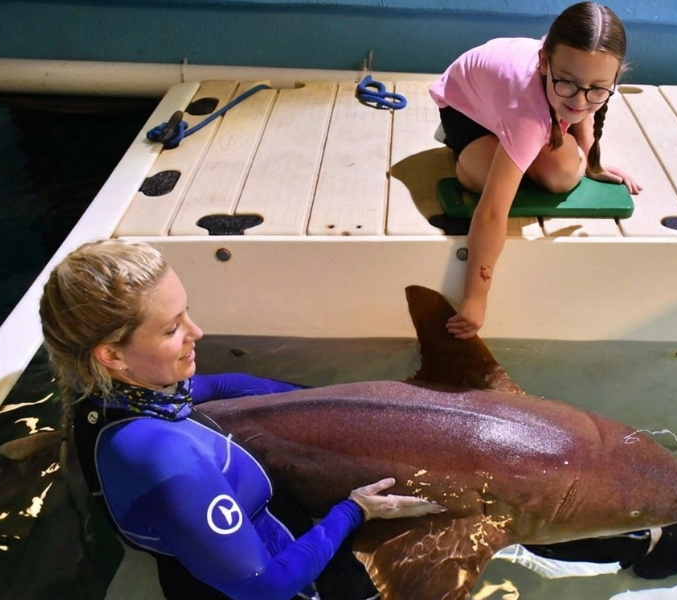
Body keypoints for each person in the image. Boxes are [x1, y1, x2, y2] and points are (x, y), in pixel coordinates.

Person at [39, 239, 444, 600]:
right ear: (111, 355)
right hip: (283, 582)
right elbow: (263, 587)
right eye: (172, 329)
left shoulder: (125, 393)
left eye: (187, 314)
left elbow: (231, 384)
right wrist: (354, 511)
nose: (197, 332)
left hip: (279, 544)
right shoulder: (160, 457)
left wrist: (331, 406)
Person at [430, 1, 643, 339]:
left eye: (598, 89)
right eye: (568, 83)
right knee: (483, 179)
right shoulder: (527, 113)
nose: (582, 99)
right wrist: (475, 299)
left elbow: (582, 106)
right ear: (545, 62)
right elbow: (490, 213)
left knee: (562, 176)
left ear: (614, 77)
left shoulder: (576, 70)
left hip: (527, 103)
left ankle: (521, 147)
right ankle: (475, 152)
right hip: (469, 108)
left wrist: (591, 161)